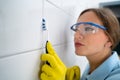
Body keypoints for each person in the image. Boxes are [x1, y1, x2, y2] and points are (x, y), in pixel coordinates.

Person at [40, 8, 120, 80]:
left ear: (109, 39)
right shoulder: (92, 66)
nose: (76, 35)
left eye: (88, 28)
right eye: (77, 29)